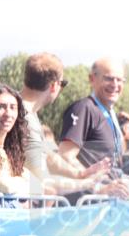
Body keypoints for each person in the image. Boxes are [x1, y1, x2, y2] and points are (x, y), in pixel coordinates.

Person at [17, 53, 115, 195]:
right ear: (54, 85)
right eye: (63, 84)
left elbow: (48, 156)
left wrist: (80, 173)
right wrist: (88, 184)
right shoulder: (22, 117)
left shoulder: (24, 112)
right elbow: (42, 182)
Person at [58, 58, 127, 174]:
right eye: (109, 78)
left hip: (112, 189)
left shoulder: (110, 113)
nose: (115, 84)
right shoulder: (84, 109)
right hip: (90, 191)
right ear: (92, 79)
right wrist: (93, 182)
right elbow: (66, 156)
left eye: (119, 80)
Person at [0, 84, 31, 196]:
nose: (8, 114)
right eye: (1, 107)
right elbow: (6, 186)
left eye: (13, 107)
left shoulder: (10, 153)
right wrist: (24, 182)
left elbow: (37, 183)